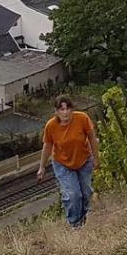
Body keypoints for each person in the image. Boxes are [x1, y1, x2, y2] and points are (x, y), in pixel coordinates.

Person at [38, 94, 98, 227]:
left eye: (67, 109)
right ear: (56, 111)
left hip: (83, 160)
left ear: (72, 109)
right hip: (63, 164)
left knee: (85, 192)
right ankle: (75, 223)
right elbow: (47, 146)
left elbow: (92, 138)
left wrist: (95, 157)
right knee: (73, 194)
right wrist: (42, 167)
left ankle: (84, 218)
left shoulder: (82, 118)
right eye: (61, 109)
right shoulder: (51, 126)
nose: (65, 112)